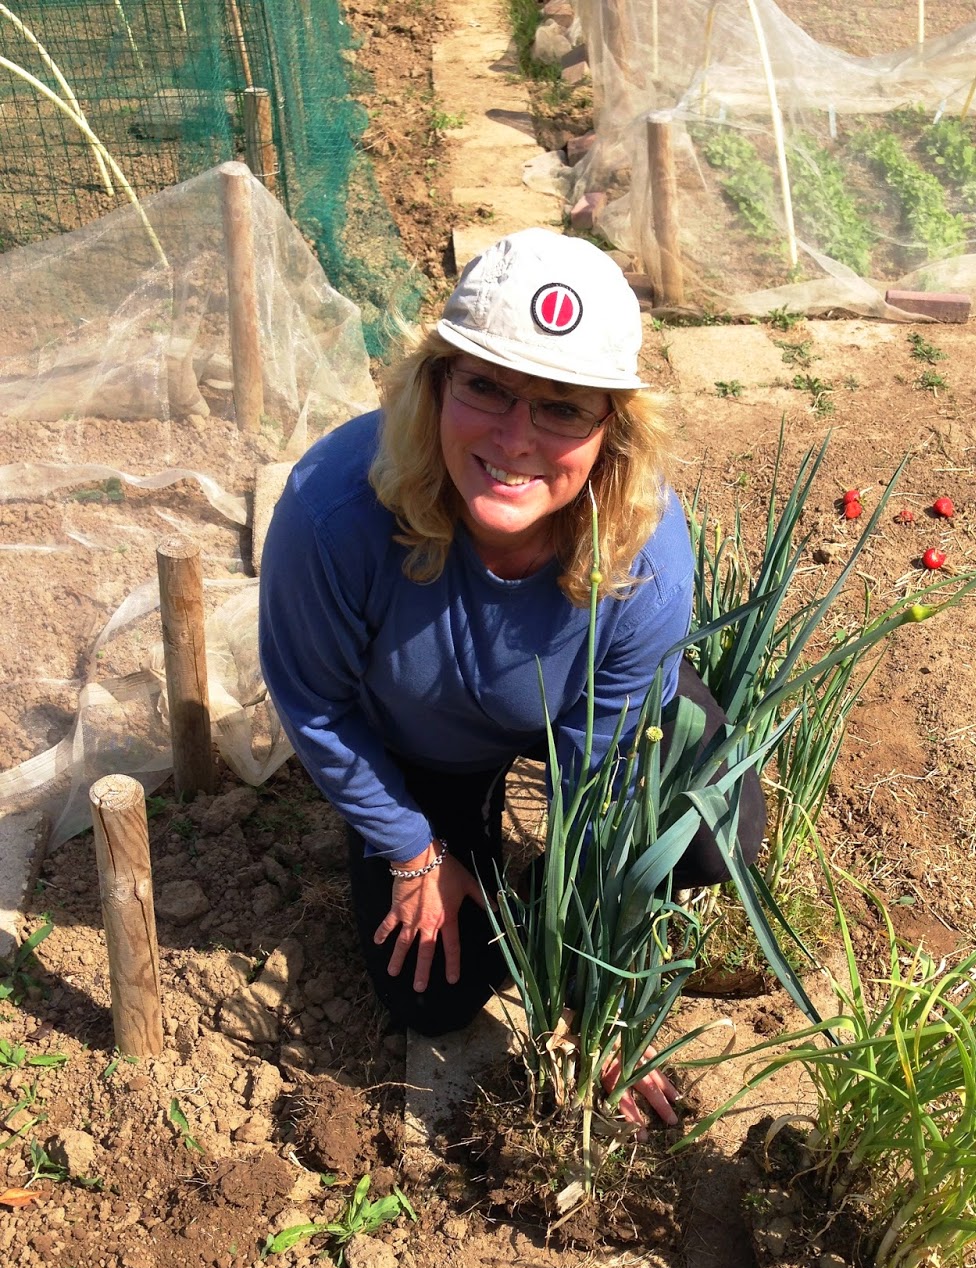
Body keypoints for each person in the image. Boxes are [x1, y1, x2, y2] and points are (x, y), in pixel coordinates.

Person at [258, 230, 764, 1127]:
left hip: (584, 710)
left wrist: (599, 988)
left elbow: (599, 785)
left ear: (612, 430)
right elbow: (315, 702)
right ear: (435, 384)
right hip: (424, 738)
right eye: (487, 386)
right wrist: (414, 850)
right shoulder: (334, 511)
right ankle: (463, 843)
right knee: (433, 996)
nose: (516, 438)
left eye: (563, 408)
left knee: (716, 836)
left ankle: (524, 895)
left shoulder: (644, 555)